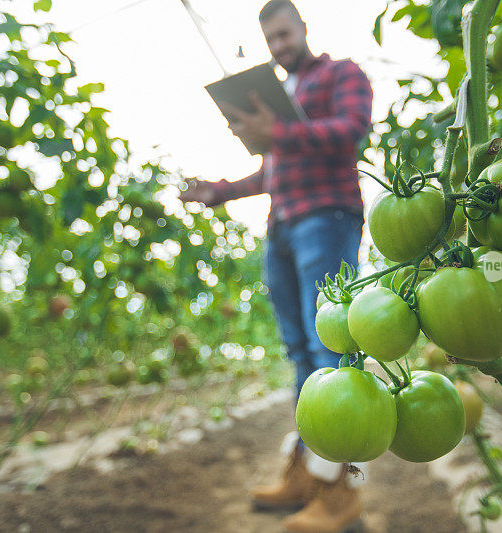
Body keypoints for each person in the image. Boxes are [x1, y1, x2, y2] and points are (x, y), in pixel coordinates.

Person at [180, 1, 372, 532]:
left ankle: (341, 488)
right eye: (271, 39)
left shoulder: (340, 74)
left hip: (327, 219)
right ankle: (308, 474)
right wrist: (219, 191)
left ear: (303, 29)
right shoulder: (278, 95)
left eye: (285, 34)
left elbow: (352, 131)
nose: (279, 46)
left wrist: (277, 132)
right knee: (299, 351)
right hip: (283, 225)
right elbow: (272, 172)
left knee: (330, 345)